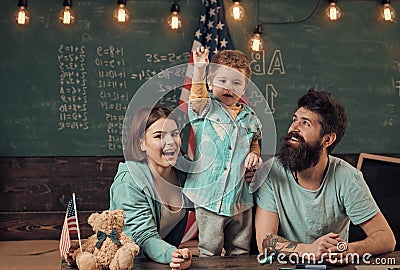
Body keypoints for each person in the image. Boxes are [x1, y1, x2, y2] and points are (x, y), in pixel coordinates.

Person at [254, 88, 396, 264]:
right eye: (294, 120)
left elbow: (386, 238)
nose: (293, 129)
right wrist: (308, 250)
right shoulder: (272, 172)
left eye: (305, 123)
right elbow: (264, 240)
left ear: (327, 140)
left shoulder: (348, 178)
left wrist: (349, 250)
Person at [183, 47, 262, 256]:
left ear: (244, 88)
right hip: (210, 196)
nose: (229, 88)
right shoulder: (206, 108)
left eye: (236, 83)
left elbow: (253, 140)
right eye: (223, 81)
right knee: (210, 249)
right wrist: (200, 69)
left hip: (240, 199)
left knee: (240, 249)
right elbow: (198, 94)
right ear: (210, 83)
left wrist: (254, 154)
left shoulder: (250, 117)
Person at [109, 106, 192, 270]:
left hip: (163, 262)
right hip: (129, 263)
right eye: (159, 136)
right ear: (142, 143)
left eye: (174, 134)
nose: (170, 142)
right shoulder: (129, 181)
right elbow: (143, 236)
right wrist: (173, 254)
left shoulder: (183, 173)